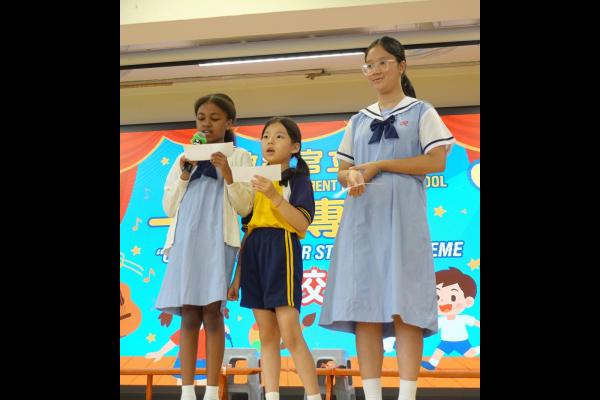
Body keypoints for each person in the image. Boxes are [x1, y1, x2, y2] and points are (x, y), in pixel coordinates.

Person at [318, 36, 456, 400]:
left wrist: (381, 165)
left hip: (405, 222)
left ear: (401, 65)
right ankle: (373, 394)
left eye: (383, 62)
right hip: (362, 222)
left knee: (406, 308)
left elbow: (436, 161)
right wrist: (351, 176)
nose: (376, 70)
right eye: (369, 65)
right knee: (366, 309)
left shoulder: (422, 111)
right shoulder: (359, 120)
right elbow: (342, 169)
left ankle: (407, 394)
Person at [155, 93, 253, 400]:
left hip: (219, 240)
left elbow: (245, 206)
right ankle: (186, 390)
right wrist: (185, 173)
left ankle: (211, 390)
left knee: (212, 312)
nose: (206, 124)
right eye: (201, 118)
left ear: (229, 122)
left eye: (214, 118)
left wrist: (228, 173)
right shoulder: (184, 157)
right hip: (186, 240)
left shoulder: (240, 157)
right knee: (188, 313)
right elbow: (169, 206)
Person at [228, 117, 321, 400]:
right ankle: (271, 395)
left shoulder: (297, 179)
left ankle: (313, 395)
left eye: (279, 137)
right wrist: (237, 277)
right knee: (266, 336)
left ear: (295, 147)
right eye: (266, 136)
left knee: (290, 334)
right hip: (254, 251)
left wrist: (274, 195)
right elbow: (248, 229)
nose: (270, 141)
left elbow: (302, 223)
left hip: (282, 247)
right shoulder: (253, 180)